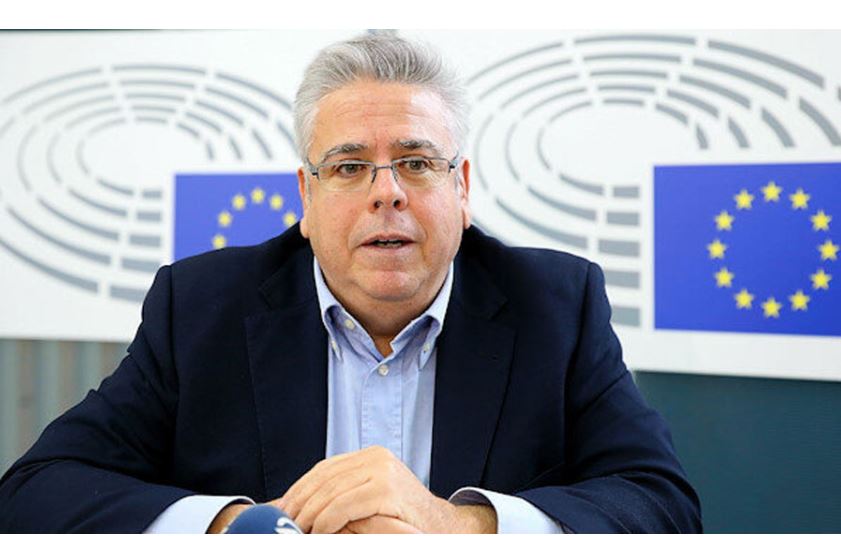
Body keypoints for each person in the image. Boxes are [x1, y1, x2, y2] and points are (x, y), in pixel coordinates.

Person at [0, 34, 701, 533]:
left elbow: (661, 505)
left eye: (417, 163)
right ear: (306, 198)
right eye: (348, 167)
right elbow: (36, 490)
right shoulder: (202, 308)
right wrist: (238, 526)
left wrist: (456, 525)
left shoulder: (555, 305)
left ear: (461, 188)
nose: (386, 193)